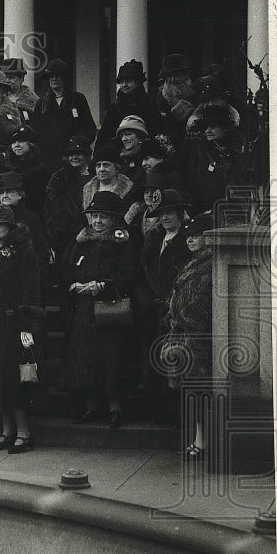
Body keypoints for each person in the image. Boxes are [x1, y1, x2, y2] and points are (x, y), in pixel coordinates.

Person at [62, 191, 136, 429]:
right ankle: (91, 406)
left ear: (113, 218)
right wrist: (73, 284)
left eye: (103, 216)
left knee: (111, 359)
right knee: (86, 358)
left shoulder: (122, 242)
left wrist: (103, 286)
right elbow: (66, 267)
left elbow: (128, 274)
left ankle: (115, 407)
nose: (97, 221)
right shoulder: (81, 241)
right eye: (94, 216)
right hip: (83, 309)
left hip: (109, 308)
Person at [0, 204, 43, 454]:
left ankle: (24, 433)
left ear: (10, 227)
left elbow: (31, 290)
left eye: (0, 224)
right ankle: (6, 431)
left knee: (15, 378)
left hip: (16, 323)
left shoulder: (25, 252)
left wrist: (27, 325)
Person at [138, 189, 192, 423]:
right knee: (153, 359)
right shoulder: (154, 238)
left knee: (175, 359)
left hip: (176, 309)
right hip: (153, 309)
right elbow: (142, 273)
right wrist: (147, 299)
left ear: (180, 213)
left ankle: (177, 412)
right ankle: (156, 409)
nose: (165, 217)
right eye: (161, 213)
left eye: (170, 212)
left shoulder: (187, 240)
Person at [164, 212, 214, 460]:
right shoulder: (194, 262)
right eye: (188, 236)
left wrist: (178, 316)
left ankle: (202, 442)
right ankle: (199, 440)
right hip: (185, 336)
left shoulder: (210, 264)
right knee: (192, 391)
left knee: (199, 391)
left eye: (196, 235)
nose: (190, 240)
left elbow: (201, 303)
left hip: (196, 338)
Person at [183, 99, 253, 215]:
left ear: (224, 127)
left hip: (236, 208)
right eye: (206, 127)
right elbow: (199, 184)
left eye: (212, 127)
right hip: (208, 208)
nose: (207, 131)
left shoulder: (238, 148)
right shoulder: (201, 150)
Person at [32, 59, 96, 167]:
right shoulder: (41, 104)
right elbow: (36, 132)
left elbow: (89, 128)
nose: (54, 78)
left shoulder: (77, 99)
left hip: (74, 157)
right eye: (51, 76)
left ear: (65, 78)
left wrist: (76, 146)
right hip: (49, 159)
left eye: (58, 75)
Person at [44, 136, 93, 263]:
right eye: (71, 154)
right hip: (65, 234)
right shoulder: (59, 177)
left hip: (92, 229)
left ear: (86, 155)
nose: (74, 157)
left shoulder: (95, 175)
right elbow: (53, 207)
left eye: (78, 153)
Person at [100, 59, 162, 143]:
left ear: (137, 82)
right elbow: (104, 136)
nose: (124, 85)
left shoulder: (149, 106)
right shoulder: (115, 108)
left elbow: (156, 134)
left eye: (128, 81)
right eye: (121, 82)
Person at [1, 58, 39, 123]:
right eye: (5, 77)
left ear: (21, 79)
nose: (7, 80)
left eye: (11, 77)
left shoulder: (32, 100)